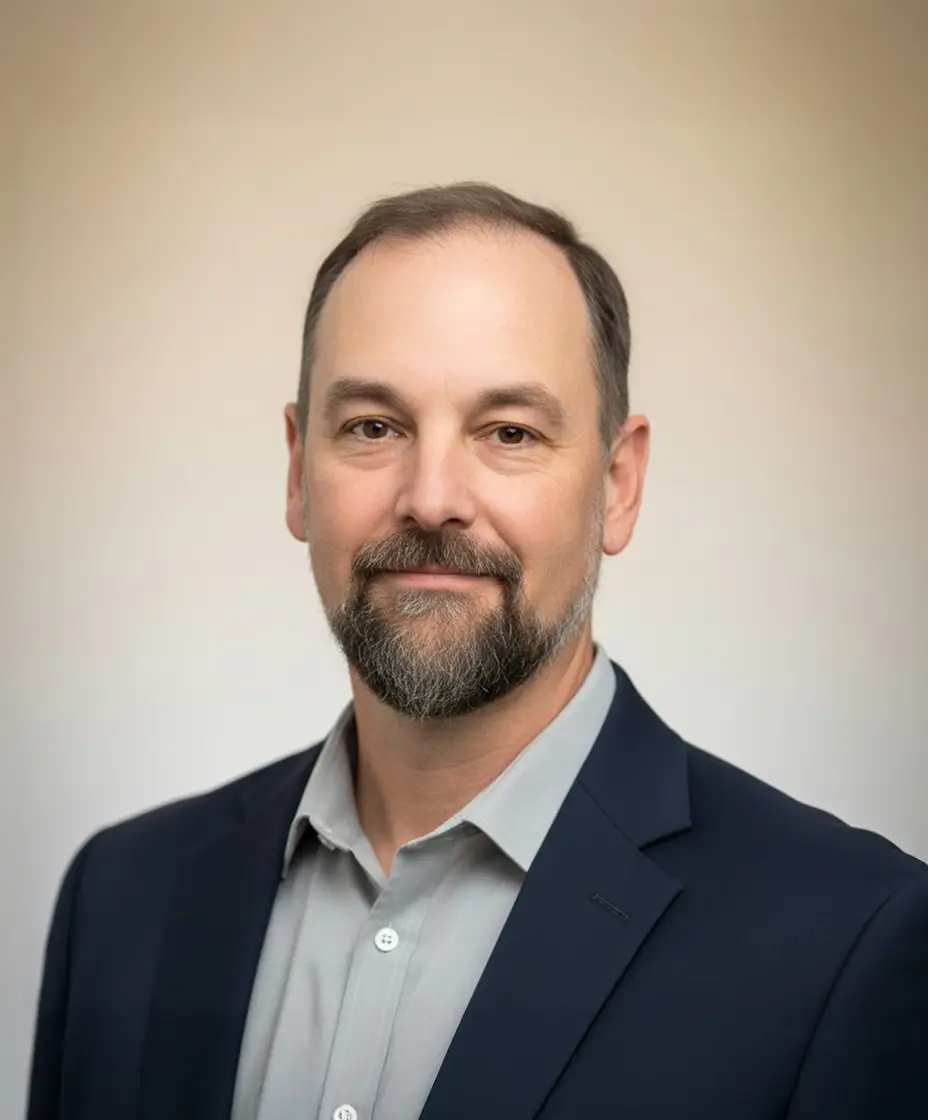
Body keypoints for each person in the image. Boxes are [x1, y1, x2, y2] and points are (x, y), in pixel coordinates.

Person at [26, 182, 928, 1120]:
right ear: (297, 470)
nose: (431, 498)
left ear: (618, 486)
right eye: (373, 427)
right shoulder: (121, 899)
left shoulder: (847, 940)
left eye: (509, 432)